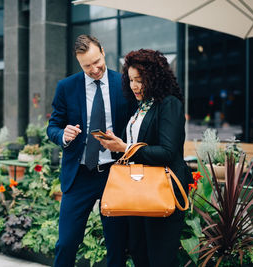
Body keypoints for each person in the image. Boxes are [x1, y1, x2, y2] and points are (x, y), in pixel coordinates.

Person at [94, 49, 193, 267]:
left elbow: (168, 152)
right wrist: (116, 144)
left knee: (160, 259)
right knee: (140, 255)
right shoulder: (142, 106)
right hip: (137, 192)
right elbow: (135, 145)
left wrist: (126, 147)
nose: (134, 86)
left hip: (161, 191)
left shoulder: (169, 104)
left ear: (155, 77)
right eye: (130, 80)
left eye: (140, 80)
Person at [47, 34, 133, 267]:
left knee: (116, 245)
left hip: (115, 174)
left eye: (97, 62)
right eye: (87, 66)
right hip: (79, 175)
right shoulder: (66, 87)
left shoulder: (124, 83)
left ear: (103, 51)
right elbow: (52, 126)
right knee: (66, 243)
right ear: (79, 63)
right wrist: (62, 135)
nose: (94, 69)